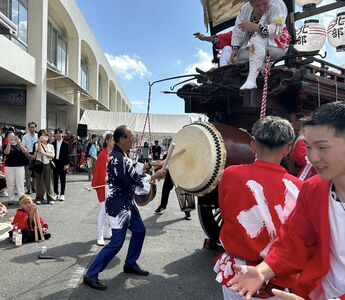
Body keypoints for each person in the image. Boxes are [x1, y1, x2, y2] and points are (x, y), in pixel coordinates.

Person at [228, 102, 345, 299]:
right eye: (307, 147)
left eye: (322, 147)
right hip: (319, 291)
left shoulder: (232, 174)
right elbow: (294, 241)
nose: (313, 157)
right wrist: (263, 271)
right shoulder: (312, 189)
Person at [215, 116, 302, 299]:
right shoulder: (298, 187)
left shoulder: (231, 174)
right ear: (287, 150)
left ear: (253, 145)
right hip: (277, 275)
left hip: (236, 274)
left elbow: (224, 212)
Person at [83, 125, 166, 290]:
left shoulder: (119, 156)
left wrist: (152, 164)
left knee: (140, 231)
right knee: (117, 242)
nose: (133, 139)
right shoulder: (118, 159)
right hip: (118, 206)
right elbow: (134, 179)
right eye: (131, 137)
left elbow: (132, 166)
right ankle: (90, 274)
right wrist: (155, 175)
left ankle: (130, 263)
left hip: (126, 203)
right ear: (122, 139)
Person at [229, 0, 291, 90]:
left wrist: (255, 27)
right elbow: (238, 29)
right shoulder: (245, 8)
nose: (262, 8)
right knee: (234, 58)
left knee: (257, 37)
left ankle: (251, 80)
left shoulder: (278, 4)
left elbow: (277, 30)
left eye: (265, 3)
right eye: (257, 5)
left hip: (278, 44)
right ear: (251, 4)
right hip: (258, 48)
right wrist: (235, 48)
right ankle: (262, 67)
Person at [91, 133, 114, 246]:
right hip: (104, 186)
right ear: (108, 141)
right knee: (104, 210)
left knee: (111, 210)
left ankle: (108, 232)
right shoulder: (102, 154)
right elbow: (99, 171)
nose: (115, 142)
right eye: (113, 140)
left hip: (113, 186)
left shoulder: (115, 153)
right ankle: (99, 235)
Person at [154, 154, 192, 220]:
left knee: (182, 192)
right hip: (170, 173)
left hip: (180, 172)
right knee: (165, 189)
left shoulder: (182, 153)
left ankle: (187, 211)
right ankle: (163, 205)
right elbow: (163, 165)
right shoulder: (167, 155)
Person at [3, 132, 28, 205]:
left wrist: (19, 143)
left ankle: (22, 199)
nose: (11, 137)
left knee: (20, 183)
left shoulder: (19, 144)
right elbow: (6, 152)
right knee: (10, 183)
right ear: (7, 138)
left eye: (13, 136)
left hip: (19, 166)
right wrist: (9, 143)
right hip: (9, 167)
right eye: (9, 136)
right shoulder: (6, 145)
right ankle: (11, 199)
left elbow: (25, 151)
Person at [34, 129, 55, 205]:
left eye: (45, 135)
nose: (44, 137)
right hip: (40, 164)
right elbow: (39, 151)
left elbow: (52, 156)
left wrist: (45, 154)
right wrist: (39, 141)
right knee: (39, 182)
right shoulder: (37, 144)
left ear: (48, 137)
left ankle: (50, 198)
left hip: (48, 164)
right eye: (41, 135)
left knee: (49, 182)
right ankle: (39, 198)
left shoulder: (51, 146)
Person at [52, 129, 69, 201]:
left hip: (63, 163)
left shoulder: (66, 144)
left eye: (60, 133)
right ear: (55, 135)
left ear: (62, 134)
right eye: (57, 133)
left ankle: (62, 194)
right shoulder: (52, 144)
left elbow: (67, 155)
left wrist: (67, 164)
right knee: (55, 179)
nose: (58, 135)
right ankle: (56, 193)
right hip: (55, 162)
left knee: (63, 179)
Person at [22, 122, 38, 194]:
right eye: (30, 127)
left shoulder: (38, 136)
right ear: (28, 128)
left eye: (33, 127)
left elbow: (39, 147)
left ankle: (34, 187)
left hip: (36, 156)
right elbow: (23, 147)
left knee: (35, 173)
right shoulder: (25, 137)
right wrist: (29, 155)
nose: (32, 128)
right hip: (27, 155)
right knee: (28, 173)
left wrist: (34, 155)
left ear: (35, 128)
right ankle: (29, 188)